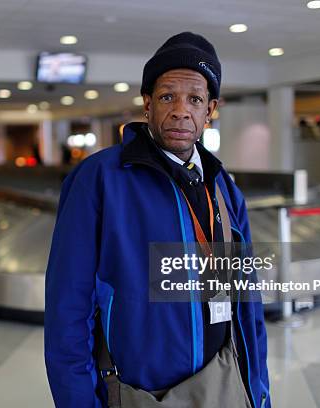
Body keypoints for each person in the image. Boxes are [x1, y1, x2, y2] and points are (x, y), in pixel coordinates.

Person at [44, 32, 270, 408]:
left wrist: (258, 388)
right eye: (168, 96)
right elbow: (68, 309)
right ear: (147, 103)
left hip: (222, 384)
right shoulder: (100, 179)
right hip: (137, 394)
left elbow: (246, 302)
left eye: (195, 99)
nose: (181, 110)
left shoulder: (223, 188)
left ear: (210, 109)